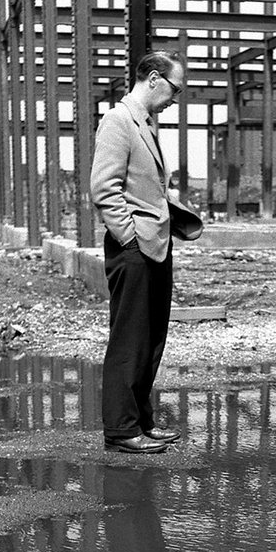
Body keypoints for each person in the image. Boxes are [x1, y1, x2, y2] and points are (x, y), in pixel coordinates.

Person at [90, 50, 203, 454]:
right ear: (154, 79)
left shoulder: (146, 123)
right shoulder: (118, 121)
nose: (176, 98)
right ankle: (121, 430)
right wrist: (130, 238)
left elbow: (146, 188)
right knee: (129, 339)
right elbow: (104, 188)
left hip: (156, 244)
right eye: (175, 89)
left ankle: (141, 420)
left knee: (152, 337)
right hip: (135, 247)